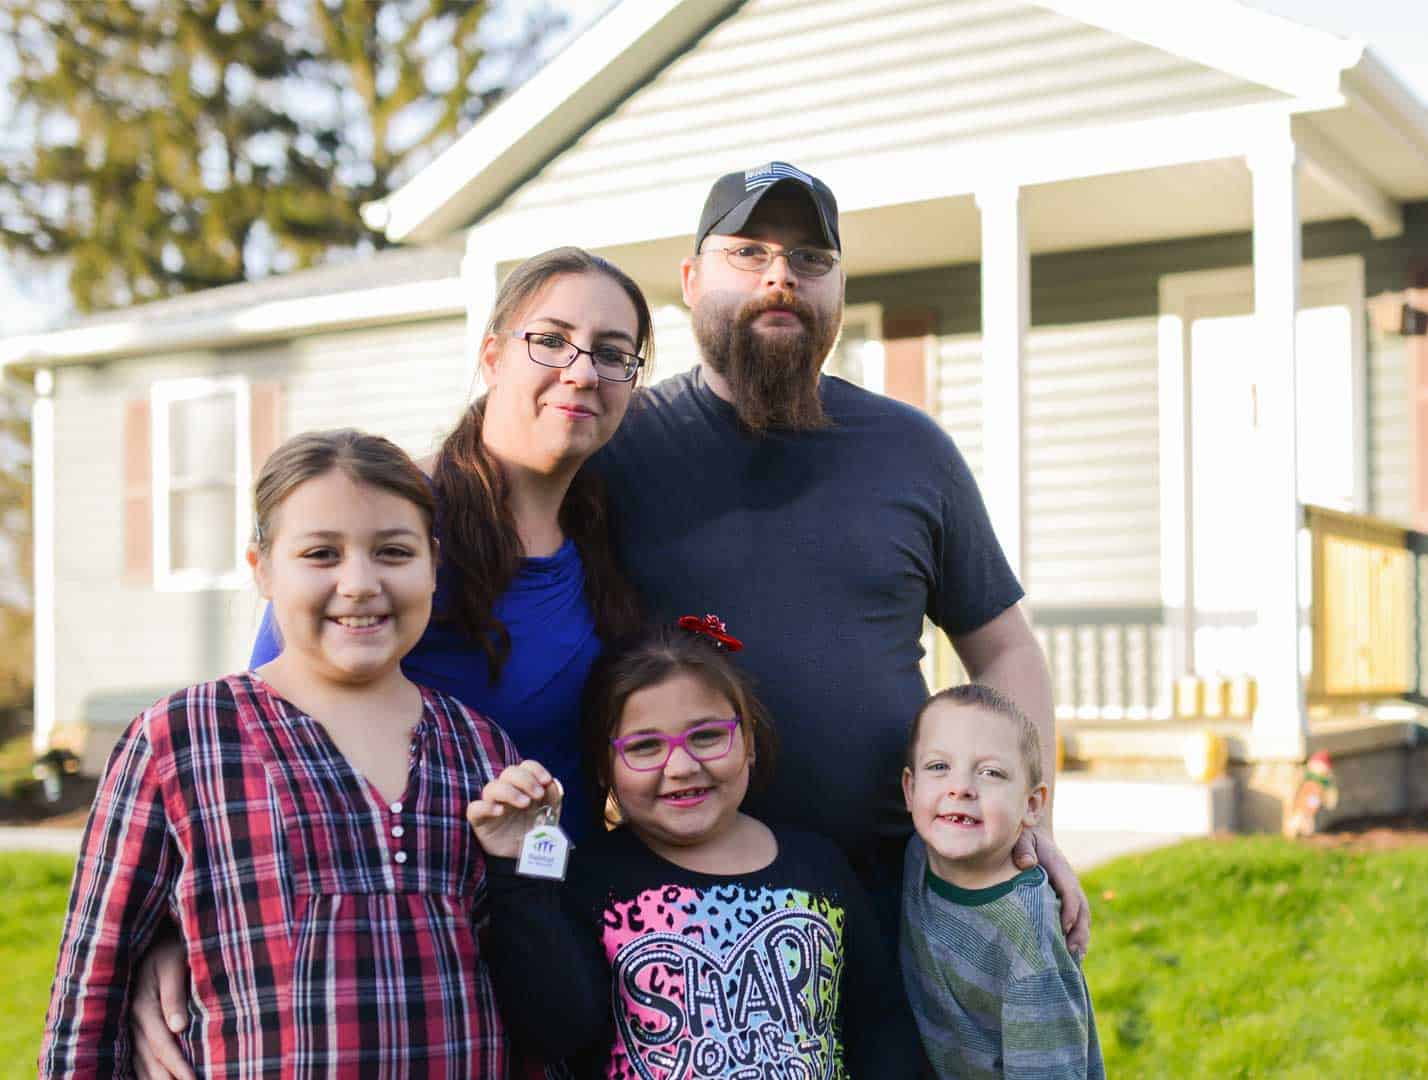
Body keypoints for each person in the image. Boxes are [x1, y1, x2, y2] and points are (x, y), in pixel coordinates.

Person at [130, 247, 654, 1078]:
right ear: (490, 353)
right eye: (549, 339)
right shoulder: (389, 534)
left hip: (540, 931)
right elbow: (261, 742)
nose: (581, 370)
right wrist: (174, 925)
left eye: (613, 352)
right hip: (371, 959)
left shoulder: (611, 539)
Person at [589, 161, 1089, 963]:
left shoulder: (911, 449)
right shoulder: (618, 449)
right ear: (690, 280)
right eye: (747, 253)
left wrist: (1033, 824)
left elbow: (1003, 646)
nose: (780, 277)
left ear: (838, 291)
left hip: (899, 894)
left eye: (810, 260)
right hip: (684, 915)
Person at [43, 430, 523, 1078]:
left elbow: (526, 977)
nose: (359, 583)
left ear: (432, 564)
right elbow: (90, 990)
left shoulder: (482, 750)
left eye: (393, 551)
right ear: (263, 568)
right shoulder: (180, 740)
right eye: (321, 553)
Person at [467, 618, 917, 1076]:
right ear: (604, 767)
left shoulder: (820, 865)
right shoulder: (585, 880)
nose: (681, 766)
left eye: (706, 736)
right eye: (644, 747)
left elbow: (881, 1026)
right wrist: (517, 872)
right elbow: (553, 1032)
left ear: (749, 743)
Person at [899, 684, 1104, 1079]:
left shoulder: (1027, 937)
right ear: (910, 789)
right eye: (939, 767)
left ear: (1032, 806)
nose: (959, 788)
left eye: (990, 772)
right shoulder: (917, 856)